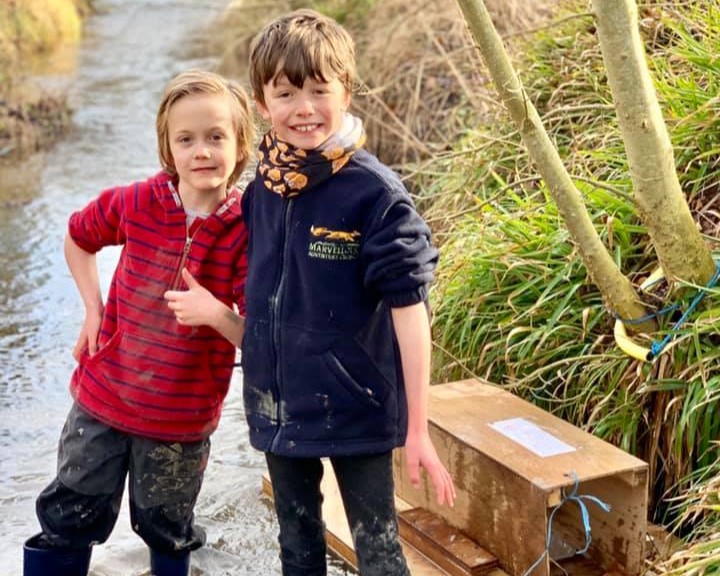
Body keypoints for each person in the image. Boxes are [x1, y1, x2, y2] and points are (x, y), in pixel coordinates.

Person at [242, 9, 455, 576]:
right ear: (262, 103)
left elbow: (412, 312)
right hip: (278, 405)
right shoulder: (260, 187)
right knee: (297, 545)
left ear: (346, 92)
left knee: (379, 552)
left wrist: (418, 429)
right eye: (285, 93)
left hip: (357, 406)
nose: (303, 108)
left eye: (318, 90)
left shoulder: (375, 195)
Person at [22, 69, 254, 576]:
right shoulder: (138, 203)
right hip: (103, 402)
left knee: (168, 532)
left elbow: (260, 339)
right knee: (68, 517)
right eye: (186, 139)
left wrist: (217, 315)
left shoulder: (246, 231)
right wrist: (93, 309)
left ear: (241, 144)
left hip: (180, 421)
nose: (202, 151)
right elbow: (79, 236)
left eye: (216, 137)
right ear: (168, 150)